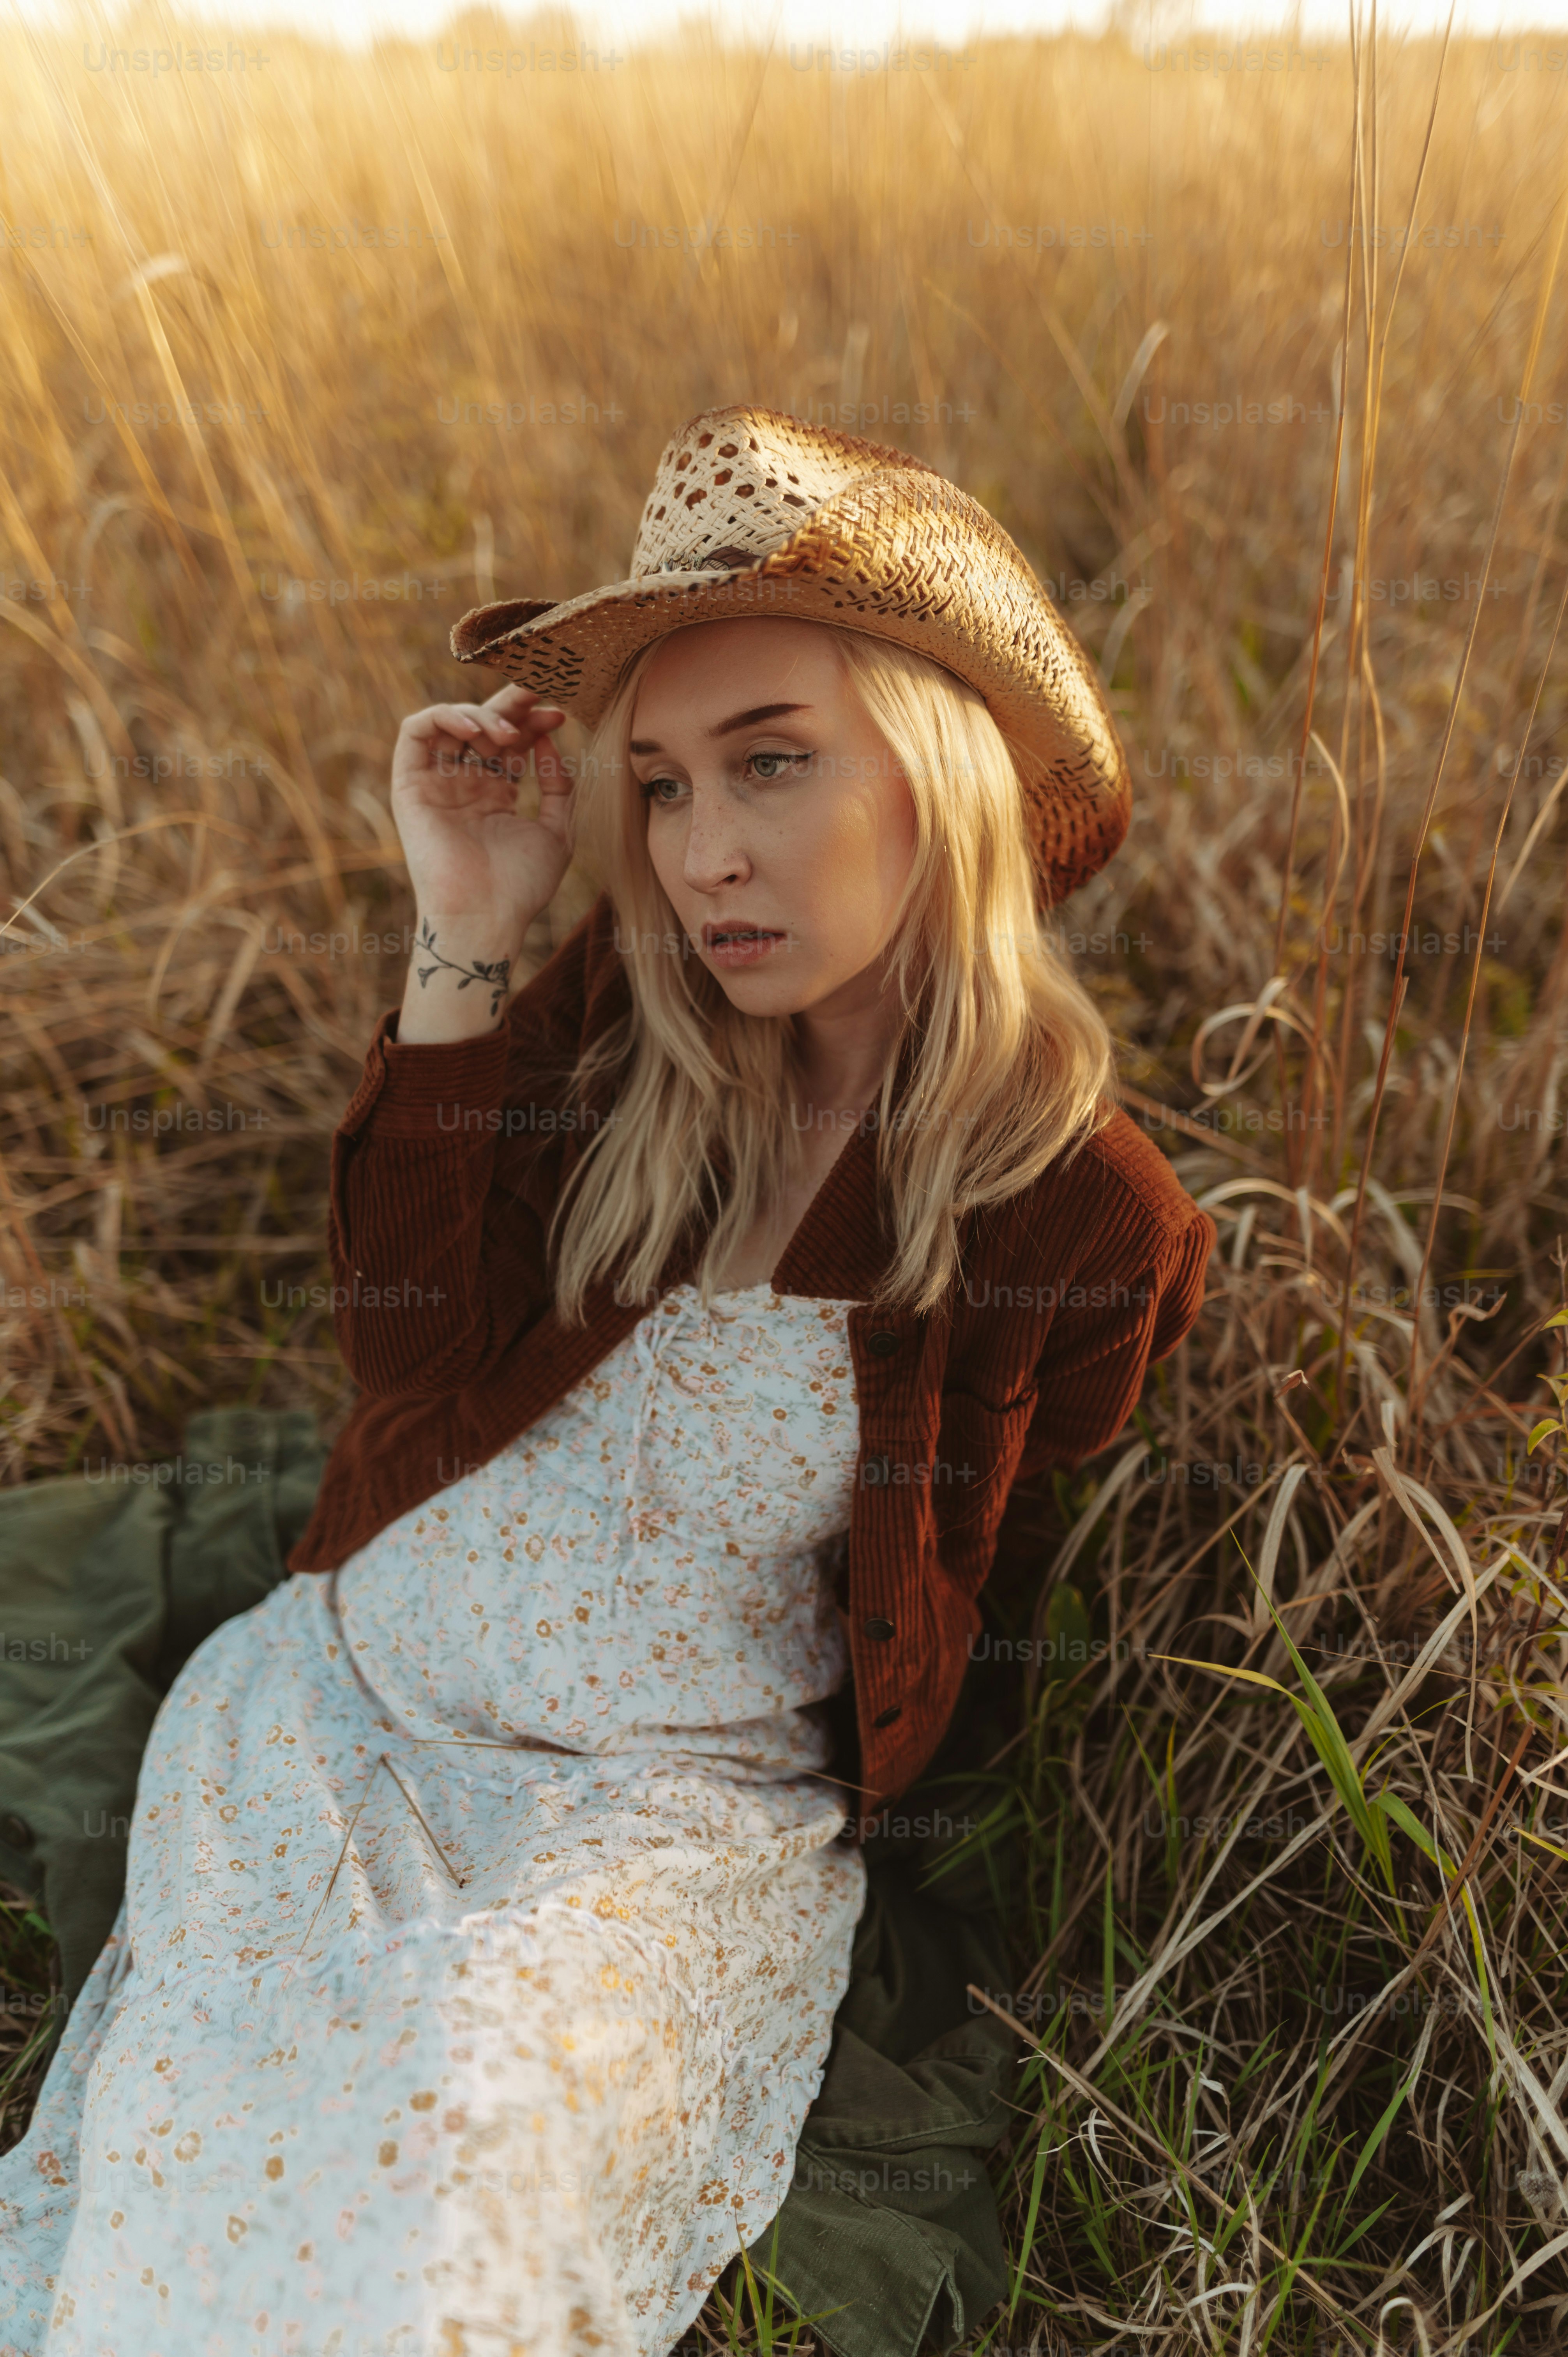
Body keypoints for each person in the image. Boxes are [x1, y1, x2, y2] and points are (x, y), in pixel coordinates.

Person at [0, 404, 1214, 2356]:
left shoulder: (1080, 1215)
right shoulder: (628, 1021)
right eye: (658, 784)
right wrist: (468, 931)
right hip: (349, 1704)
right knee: (198, 2158)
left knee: (455, 2156)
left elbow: (975, 1608)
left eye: (768, 762)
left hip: (651, 1821)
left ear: (936, 773)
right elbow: (404, 1351)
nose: (703, 852)